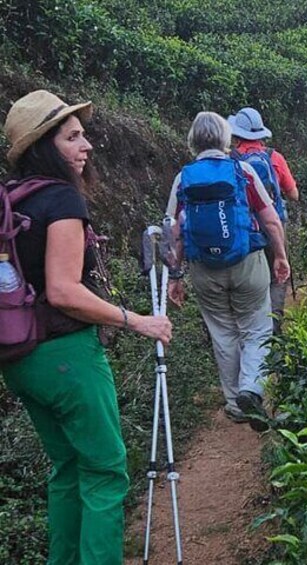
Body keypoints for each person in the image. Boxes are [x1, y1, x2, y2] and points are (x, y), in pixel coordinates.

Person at [1, 90, 172, 564]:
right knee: (105, 469)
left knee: (68, 467)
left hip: (20, 357)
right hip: (67, 358)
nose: (87, 145)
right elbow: (63, 291)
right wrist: (137, 320)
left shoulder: (14, 198)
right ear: (43, 146)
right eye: (73, 136)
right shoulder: (61, 200)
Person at [166, 112, 290, 431]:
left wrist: (175, 274)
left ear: (193, 140)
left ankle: (235, 402)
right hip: (247, 262)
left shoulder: (183, 178)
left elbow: (175, 232)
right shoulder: (242, 170)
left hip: (203, 268)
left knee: (223, 333)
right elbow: (271, 220)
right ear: (225, 138)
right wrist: (280, 256)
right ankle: (253, 387)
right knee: (257, 327)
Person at [228, 107, 298, 326]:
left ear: (236, 135)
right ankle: (274, 327)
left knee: (248, 279)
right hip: (275, 224)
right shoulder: (274, 158)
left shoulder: (230, 160)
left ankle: (251, 327)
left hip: (244, 228)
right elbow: (293, 194)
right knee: (278, 276)